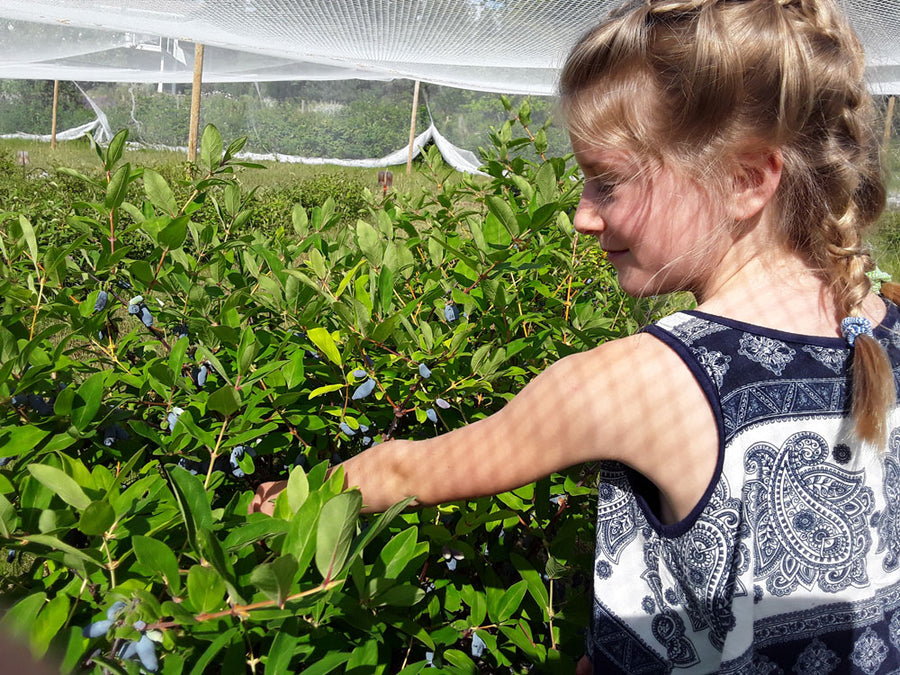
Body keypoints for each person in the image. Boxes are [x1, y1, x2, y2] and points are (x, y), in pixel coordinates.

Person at [253, 0, 900, 670]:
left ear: (743, 179)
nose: (582, 218)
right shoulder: (880, 328)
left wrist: (283, 504)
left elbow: (408, 469)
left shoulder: (645, 380)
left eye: (607, 183)